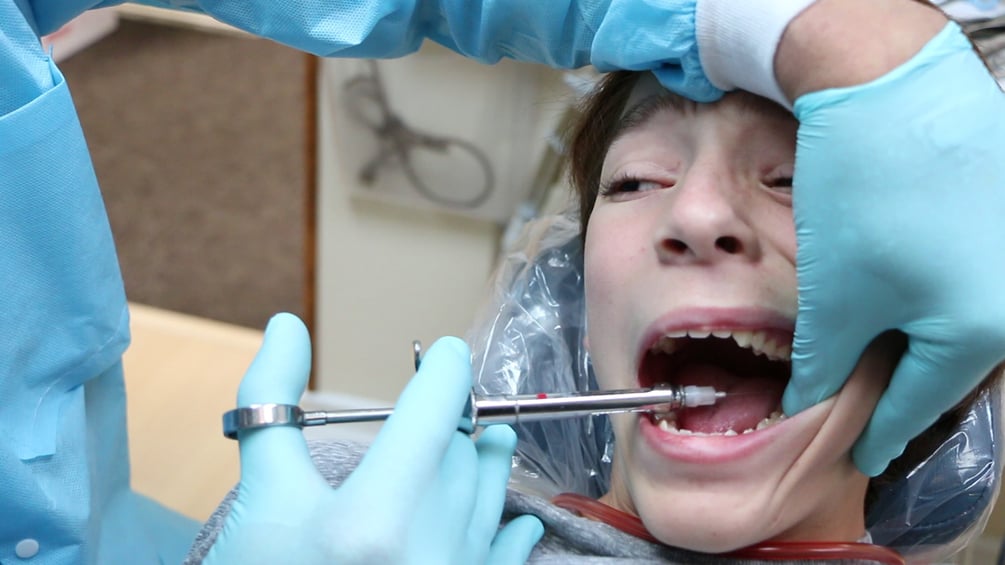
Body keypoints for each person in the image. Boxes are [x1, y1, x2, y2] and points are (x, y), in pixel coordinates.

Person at [4, 0, 1005, 562]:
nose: (695, 214)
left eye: (791, 183)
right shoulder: (336, 509)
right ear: (574, 310)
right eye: (635, 180)